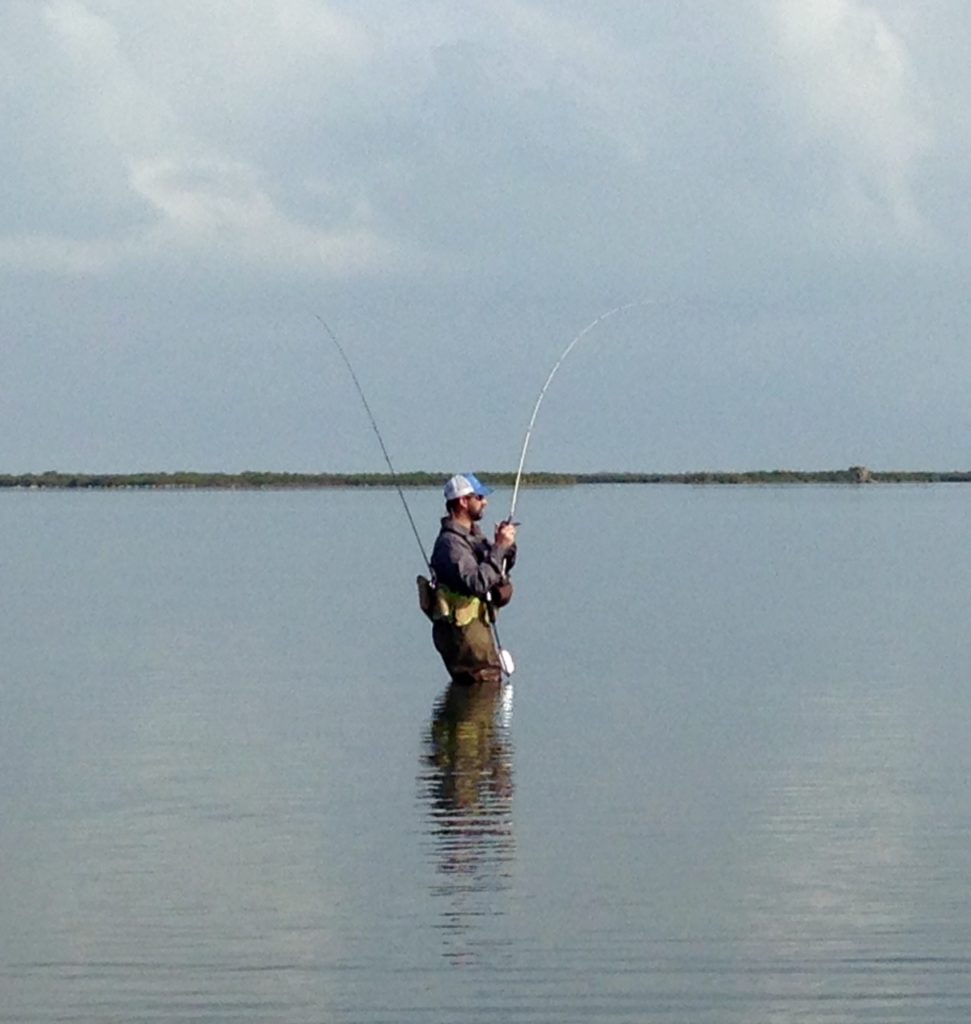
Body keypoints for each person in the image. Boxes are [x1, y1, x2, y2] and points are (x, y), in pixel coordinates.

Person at [427, 473, 517, 683]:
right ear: (463, 501)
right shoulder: (450, 545)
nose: (485, 502)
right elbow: (477, 582)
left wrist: (505, 547)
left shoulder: (473, 536)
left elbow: (496, 570)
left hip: (478, 637)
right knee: (478, 698)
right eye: (479, 497)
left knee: (487, 695)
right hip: (466, 645)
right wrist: (499, 548)